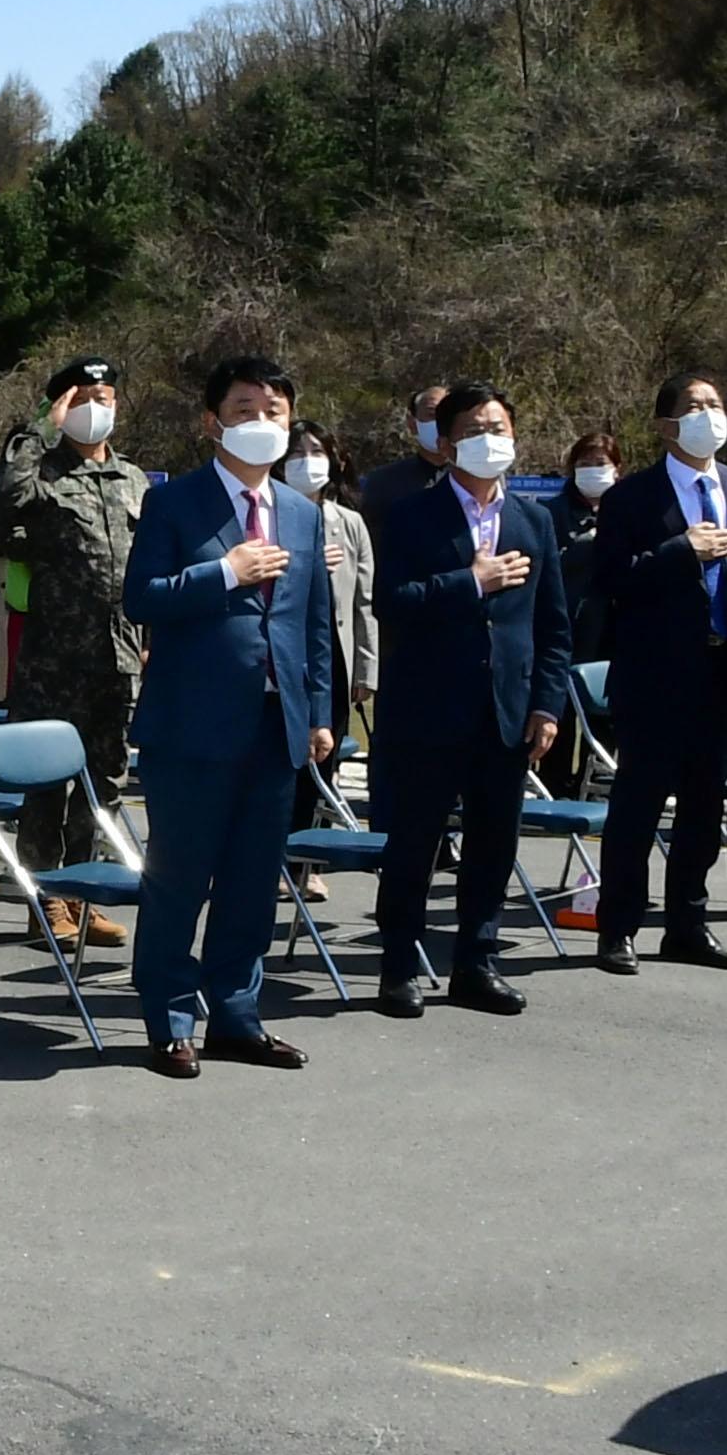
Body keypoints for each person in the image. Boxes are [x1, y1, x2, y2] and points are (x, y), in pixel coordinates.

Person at [119, 355, 334, 1077]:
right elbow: (142, 598)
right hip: (192, 726)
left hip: (278, 724)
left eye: (273, 411)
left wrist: (320, 710)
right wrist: (224, 574)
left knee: (252, 880)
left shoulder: (303, 513)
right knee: (181, 877)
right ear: (213, 424)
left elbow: (314, 623)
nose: (261, 424)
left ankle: (237, 1017)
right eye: (245, 411)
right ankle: (170, 1019)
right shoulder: (173, 503)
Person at [367, 381, 571, 1021]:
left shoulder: (533, 520)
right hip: (428, 707)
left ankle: (475, 965)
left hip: (505, 711)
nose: (493, 440)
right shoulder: (408, 513)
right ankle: (399, 965)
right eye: (478, 429)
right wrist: (469, 582)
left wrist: (546, 705)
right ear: (448, 441)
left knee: (493, 844)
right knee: (415, 843)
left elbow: (551, 625)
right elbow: (391, 604)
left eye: (502, 428)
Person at [586, 372, 727, 974]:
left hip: (722, 673)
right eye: (694, 407)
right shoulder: (632, 497)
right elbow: (611, 581)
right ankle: (619, 926)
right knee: (638, 805)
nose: (708, 415)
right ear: (666, 425)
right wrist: (681, 550)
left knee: (705, 806)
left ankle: (688, 923)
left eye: (715, 404)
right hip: (654, 675)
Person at [0, 357, 152, 945]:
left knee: (102, 781)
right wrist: (40, 427)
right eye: (83, 396)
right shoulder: (41, 473)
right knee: (46, 785)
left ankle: (80, 895)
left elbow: (149, 567)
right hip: (54, 659)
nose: (96, 406)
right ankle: (45, 898)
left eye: (105, 395)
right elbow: (2, 498)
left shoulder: (133, 479)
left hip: (120, 657)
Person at [280, 422, 377, 898]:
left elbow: (364, 601)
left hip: (332, 662)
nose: (307, 459)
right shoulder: (271, 513)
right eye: (296, 451)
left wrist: (365, 669)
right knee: (281, 760)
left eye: (316, 450)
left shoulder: (349, 521)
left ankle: (305, 863)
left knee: (323, 763)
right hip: (281, 658)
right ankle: (272, 855)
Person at [558, 431, 620, 670]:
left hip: (621, 623)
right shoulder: (552, 513)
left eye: (601, 464)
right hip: (576, 624)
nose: (593, 470)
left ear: (617, 468)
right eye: (584, 464)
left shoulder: (633, 509)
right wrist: (587, 542)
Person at [356, 383, 451, 531]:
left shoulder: (475, 479)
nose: (439, 423)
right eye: (431, 414)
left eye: (448, 416)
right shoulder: (380, 482)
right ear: (412, 423)